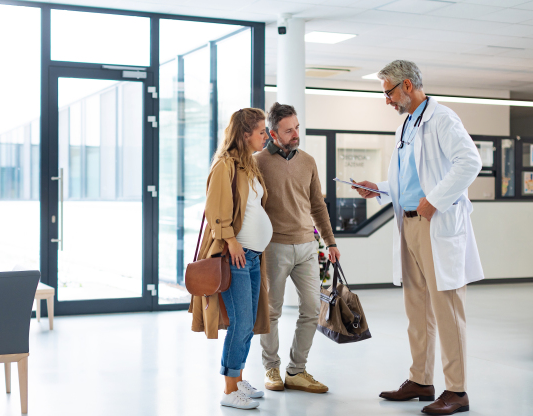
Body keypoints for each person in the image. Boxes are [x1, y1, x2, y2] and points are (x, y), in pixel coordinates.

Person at [353, 60, 484, 415]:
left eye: (389, 93)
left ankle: (456, 391)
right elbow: (406, 180)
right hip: (408, 223)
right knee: (417, 308)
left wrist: (436, 201)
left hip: (436, 224)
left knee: (446, 308)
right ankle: (421, 380)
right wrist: (378, 188)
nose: (387, 101)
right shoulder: (406, 127)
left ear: (407, 86)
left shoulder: (442, 119)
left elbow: (470, 162)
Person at [189, 108, 273, 410]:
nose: (267, 135)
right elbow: (215, 211)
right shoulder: (224, 165)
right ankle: (228, 390)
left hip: (252, 257)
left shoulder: (248, 165)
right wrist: (232, 241)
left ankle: (237, 381)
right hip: (234, 256)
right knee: (240, 323)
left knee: (248, 322)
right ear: (244, 133)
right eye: (262, 131)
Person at [256, 102, 341, 394]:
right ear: (272, 133)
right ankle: (271, 368)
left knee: (312, 307)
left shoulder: (308, 161)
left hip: (307, 246)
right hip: (274, 247)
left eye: (297, 128)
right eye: (288, 130)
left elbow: (318, 204)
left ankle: (297, 370)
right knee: (271, 312)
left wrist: (330, 241)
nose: (295, 134)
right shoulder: (258, 163)